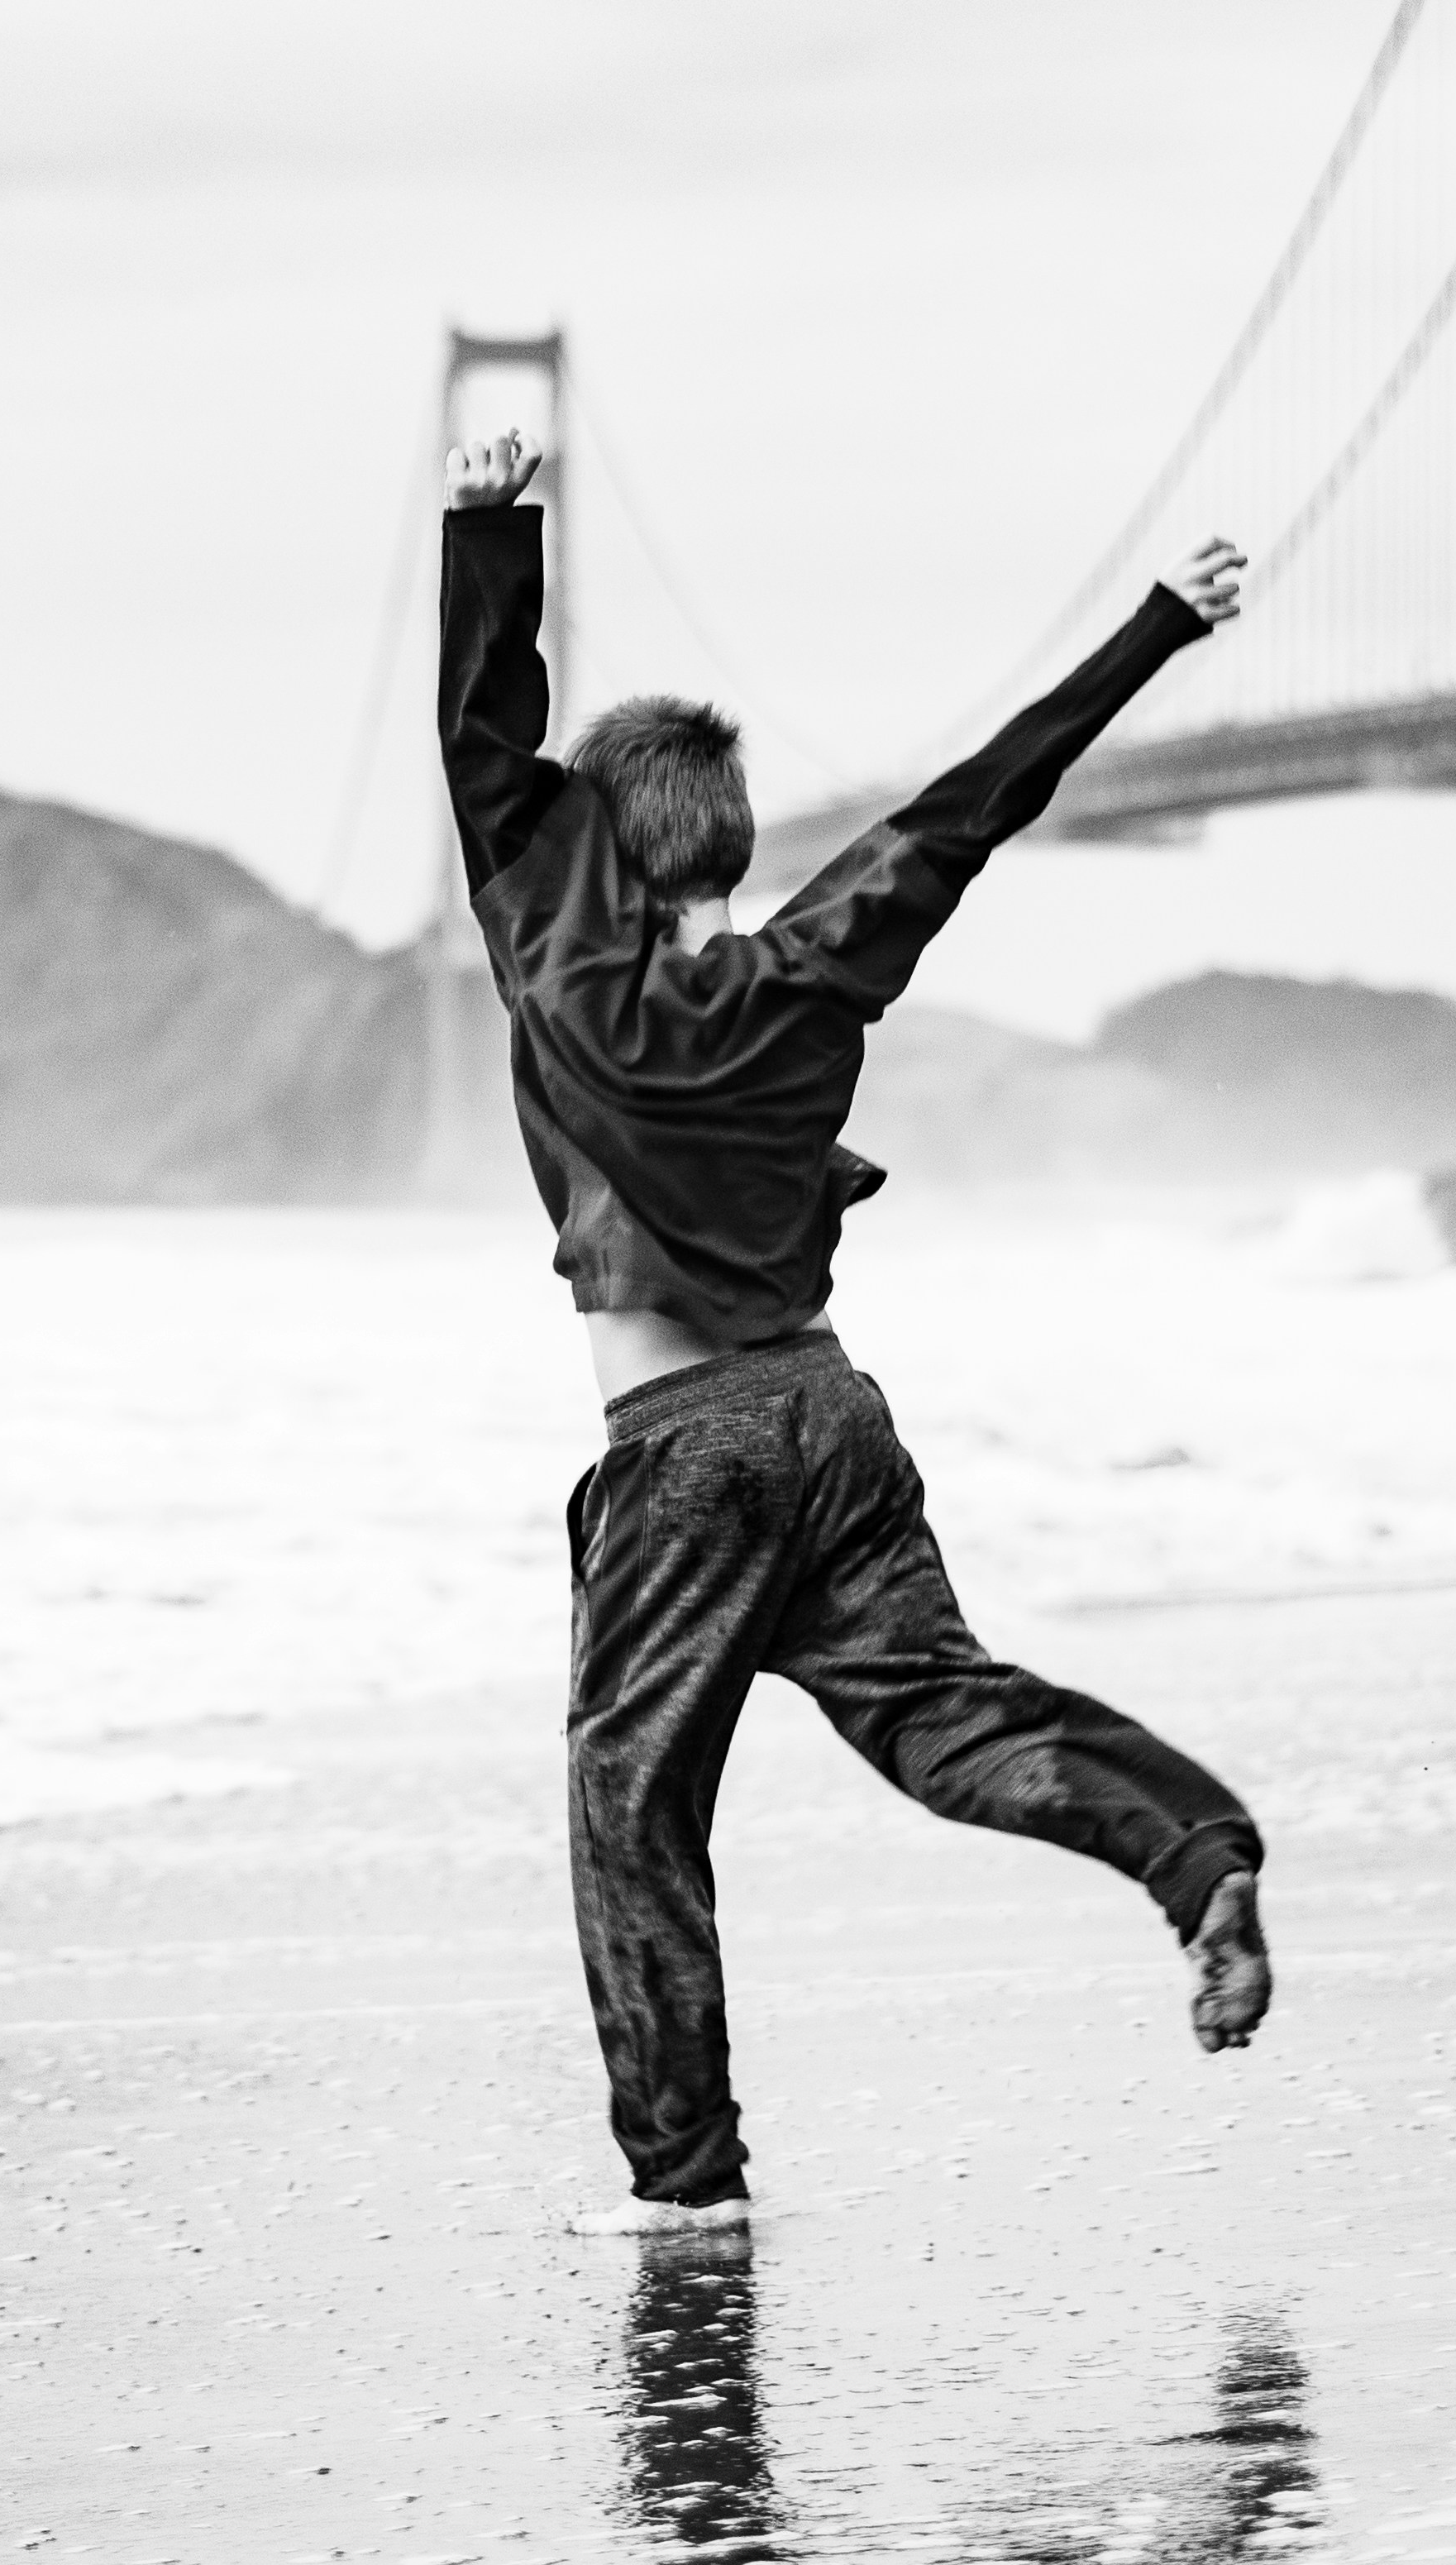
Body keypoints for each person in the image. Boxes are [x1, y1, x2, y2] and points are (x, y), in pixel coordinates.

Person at [434, 425, 1276, 2235]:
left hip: (687, 1453)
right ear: (729, 849)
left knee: (630, 1804)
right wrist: (1157, 622)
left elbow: (487, 763)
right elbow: (978, 802)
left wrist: (486, 529)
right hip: (834, 1422)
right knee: (940, 1714)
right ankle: (1188, 1844)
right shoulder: (817, 971)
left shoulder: (560, 969)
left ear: (593, 851)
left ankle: (689, 2185)